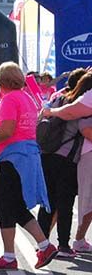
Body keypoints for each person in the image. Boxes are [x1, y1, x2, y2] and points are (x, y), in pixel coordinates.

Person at [0, 62, 57, 270]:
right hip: (26, 156)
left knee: (6, 207)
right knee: (16, 206)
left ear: (1, 82)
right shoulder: (27, 98)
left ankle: (12, 255)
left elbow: (6, 130)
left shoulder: (9, 100)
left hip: (11, 158)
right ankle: (42, 246)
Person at [37, 71, 91, 256]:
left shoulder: (58, 98)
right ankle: (64, 245)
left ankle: (43, 243)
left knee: (48, 201)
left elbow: (43, 115)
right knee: (65, 203)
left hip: (46, 153)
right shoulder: (81, 105)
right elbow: (85, 129)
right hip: (67, 158)